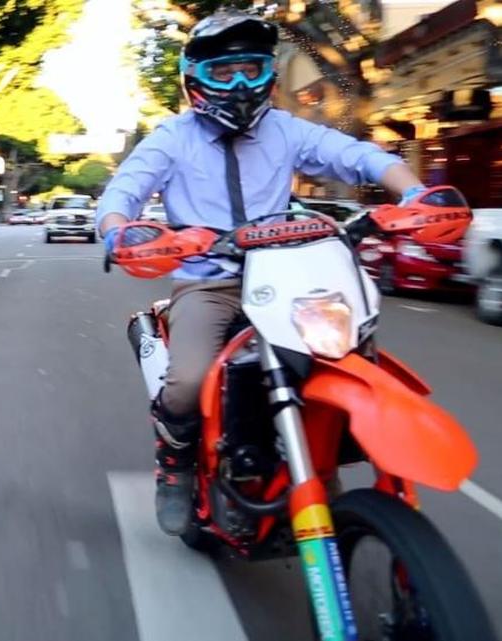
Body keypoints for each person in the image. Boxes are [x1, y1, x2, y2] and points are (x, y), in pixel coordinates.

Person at [96, 10, 427, 536]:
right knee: (187, 384)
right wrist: (121, 232)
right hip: (212, 281)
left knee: (344, 357)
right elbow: (123, 194)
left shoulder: (286, 130)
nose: (242, 84)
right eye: (225, 73)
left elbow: (355, 155)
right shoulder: (171, 139)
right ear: (195, 78)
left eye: (252, 68)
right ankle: (175, 460)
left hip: (293, 279)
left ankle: (319, 467)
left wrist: (413, 192)